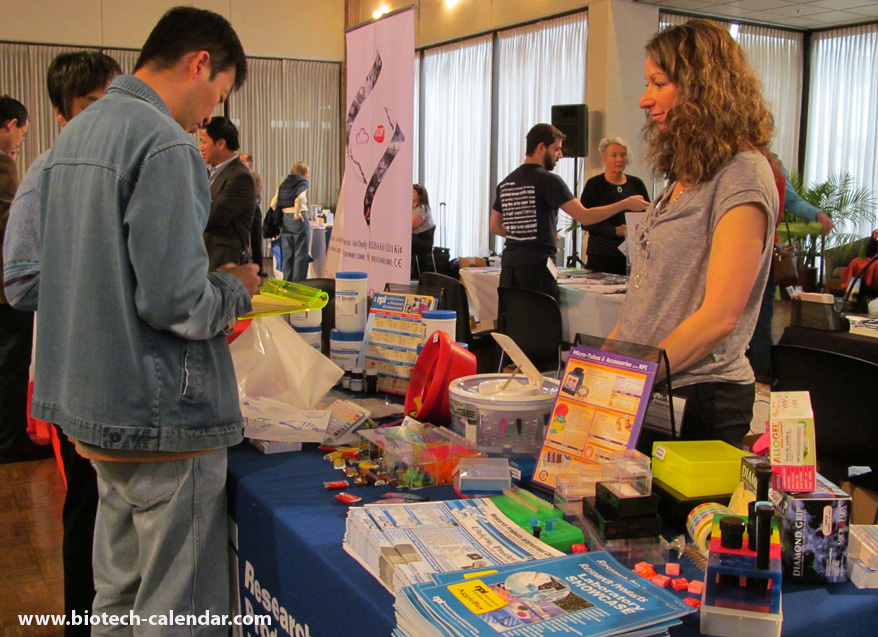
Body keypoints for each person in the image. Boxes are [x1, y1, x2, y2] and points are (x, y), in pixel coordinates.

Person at [32, 7, 259, 631]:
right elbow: (175, 302)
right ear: (200, 63)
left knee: (116, 594)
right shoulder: (162, 143)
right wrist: (234, 290)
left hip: (95, 406)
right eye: (219, 93)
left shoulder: (75, 136)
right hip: (160, 416)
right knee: (176, 611)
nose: (211, 114)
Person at [613, 19, 778, 446]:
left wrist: (633, 374)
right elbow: (649, 300)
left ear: (704, 86)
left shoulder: (742, 172)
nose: (644, 99)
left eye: (659, 83)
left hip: (699, 396)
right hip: (652, 385)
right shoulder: (690, 173)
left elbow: (720, 315)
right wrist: (597, 365)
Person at [2, 51, 121, 634]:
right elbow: (20, 282)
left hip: (129, 378)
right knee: (87, 508)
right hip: (78, 377)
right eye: (90, 108)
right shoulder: (47, 172)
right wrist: (108, 276)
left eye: (112, 104)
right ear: (60, 113)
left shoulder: (130, 165)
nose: (105, 120)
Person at [490, 123, 648, 299]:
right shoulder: (548, 180)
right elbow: (585, 217)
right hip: (536, 268)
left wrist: (527, 234)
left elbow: (495, 226)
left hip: (510, 266)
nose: (560, 155)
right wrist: (625, 203)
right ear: (541, 148)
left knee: (513, 320)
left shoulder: (506, 182)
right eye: (556, 149)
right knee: (539, 322)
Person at [0, 96, 48, 464]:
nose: (20, 143)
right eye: (21, 134)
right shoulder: (3, 163)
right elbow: (9, 223)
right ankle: (9, 438)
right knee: (11, 365)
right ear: (10, 125)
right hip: (6, 288)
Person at [579, 136, 651, 275]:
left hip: (631, 256)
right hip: (601, 255)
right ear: (604, 159)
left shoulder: (636, 183)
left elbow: (648, 215)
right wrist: (615, 230)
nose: (619, 159)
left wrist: (631, 229)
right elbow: (585, 221)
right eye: (614, 155)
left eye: (623, 155)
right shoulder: (595, 184)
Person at [200, 115, 257, 270]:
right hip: (208, 256)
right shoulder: (213, 172)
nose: (200, 148)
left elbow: (211, 214)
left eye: (203, 141)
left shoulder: (239, 176)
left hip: (225, 260)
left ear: (220, 144)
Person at [272, 161, 311, 281]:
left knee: (287, 253)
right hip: (298, 218)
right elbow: (300, 198)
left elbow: (273, 202)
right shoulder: (302, 182)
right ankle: (298, 284)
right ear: (304, 173)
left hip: (284, 219)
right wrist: (297, 213)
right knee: (300, 253)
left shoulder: (284, 183)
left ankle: (287, 283)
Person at [240, 152, 266, 276]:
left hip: (254, 209)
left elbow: (256, 192)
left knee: (256, 240)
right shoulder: (236, 176)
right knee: (242, 240)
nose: (240, 163)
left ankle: (259, 268)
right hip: (241, 210)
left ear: (249, 163)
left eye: (243, 160)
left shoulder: (256, 176)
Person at [411, 183, 436, 277]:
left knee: (404, 241)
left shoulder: (422, 208)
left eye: (413, 192)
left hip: (423, 241)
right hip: (416, 238)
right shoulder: (412, 208)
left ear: (420, 196)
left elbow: (411, 225)